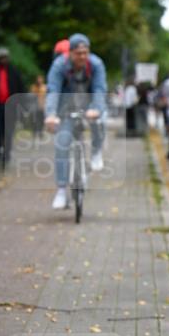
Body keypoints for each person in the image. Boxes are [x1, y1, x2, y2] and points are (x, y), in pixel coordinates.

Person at [44, 34, 108, 209]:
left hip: (89, 106)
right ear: (69, 53)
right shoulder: (60, 66)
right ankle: (62, 191)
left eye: (85, 52)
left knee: (101, 121)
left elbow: (100, 89)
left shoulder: (96, 64)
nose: (82, 56)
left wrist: (96, 108)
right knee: (62, 144)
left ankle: (96, 152)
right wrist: (50, 114)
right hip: (66, 108)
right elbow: (53, 90)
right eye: (78, 53)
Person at [30, 74, 47, 142]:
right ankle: (34, 132)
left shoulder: (44, 87)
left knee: (41, 120)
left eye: (41, 79)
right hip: (35, 107)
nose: (39, 80)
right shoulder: (34, 87)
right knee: (35, 120)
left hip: (42, 106)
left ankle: (40, 132)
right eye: (38, 79)